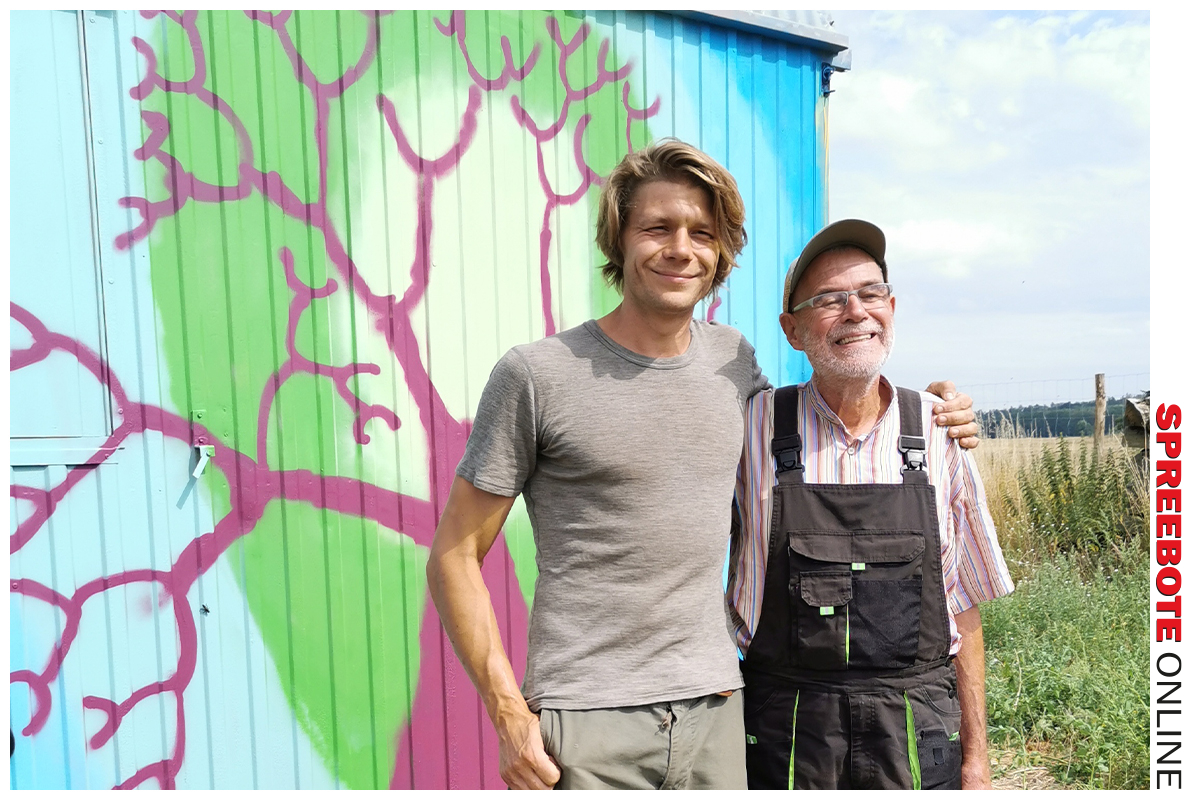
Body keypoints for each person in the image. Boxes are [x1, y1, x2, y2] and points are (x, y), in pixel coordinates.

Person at [426, 141, 979, 790]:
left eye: (702, 233)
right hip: (588, 720)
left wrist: (930, 407)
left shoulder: (732, 363)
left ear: (720, 254)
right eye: (657, 228)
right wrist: (508, 714)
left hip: (718, 714)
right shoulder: (537, 374)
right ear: (619, 240)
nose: (680, 249)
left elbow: (824, 419)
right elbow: (454, 556)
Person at [730, 219, 1015, 790]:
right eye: (829, 300)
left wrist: (977, 761)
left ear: (892, 308)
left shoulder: (939, 431)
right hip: (785, 731)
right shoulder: (749, 426)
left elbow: (963, 608)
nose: (855, 311)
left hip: (913, 730)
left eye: (870, 293)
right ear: (792, 330)